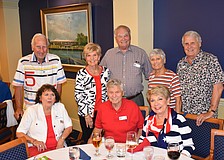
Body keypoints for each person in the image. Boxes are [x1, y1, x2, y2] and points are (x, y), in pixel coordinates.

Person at [12, 33, 66, 119]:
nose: (41, 50)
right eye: (38, 47)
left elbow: (59, 84)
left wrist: (55, 103)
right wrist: (18, 108)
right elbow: (18, 87)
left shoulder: (56, 60)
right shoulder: (23, 62)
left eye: (44, 47)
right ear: (32, 47)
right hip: (31, 108)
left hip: (50, 107)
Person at [132, 85, 194, 157]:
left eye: (160, 99)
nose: (156, 103)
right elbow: (142, 140)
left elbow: (189, 146)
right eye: (152, 100)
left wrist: (180, 157)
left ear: (168, 101)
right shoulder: (148, 120)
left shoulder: (179, 120)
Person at [177, 31, 224, 126]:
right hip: (186, 117)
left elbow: (219, 87)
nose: (189, 46)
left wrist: (211, 111)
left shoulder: (211, 60)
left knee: (206, 141)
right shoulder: (181, 64)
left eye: (192, 43)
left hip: (205, 118)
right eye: (186, 44)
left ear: (199, 43)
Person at [100, 25, 152, 106]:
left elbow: (150, 75)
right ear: (116, 38)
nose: (123, 39)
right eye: (120, 36)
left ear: (130, 36)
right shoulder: (109, 54)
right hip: (115, 100)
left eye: (126, 35)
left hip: (135, 100)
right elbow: (100, 74)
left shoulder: (140, 53)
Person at [16, 84, 72, 157]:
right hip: (38, 148)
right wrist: (34, 141)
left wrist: (61, 140)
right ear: (40, 98)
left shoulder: (60, 107)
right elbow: (19, 133)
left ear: (55, 99)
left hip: (58, 147)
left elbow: (69, 127)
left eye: (52, 95)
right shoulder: (31, 111)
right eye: (46, 95)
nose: (49, 97)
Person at [88, 79, 144, 143]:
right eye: (111, 92)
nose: (114, 96)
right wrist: (90, 140)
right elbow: (98, 129)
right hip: (109, 145)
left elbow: (141, 128)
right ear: (107, 94)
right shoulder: (102, 108)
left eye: (117, 92)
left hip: (128, 145)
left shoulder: (133, 107)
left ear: (122, 93)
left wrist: (137, 142)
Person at [75, 42, 110, 143]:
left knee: (103, 139)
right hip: (87, 114)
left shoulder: (106, 72)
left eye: (94, 55)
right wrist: (87, 114)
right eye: (88, 55)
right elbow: (78, 96)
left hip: (103, 112)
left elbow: (108, 92)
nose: (92, 58)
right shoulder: (81, 74)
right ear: (85, 58)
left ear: (99, 57)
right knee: (89, 140)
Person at [148, 48, 181, 113]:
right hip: (156, 114)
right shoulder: (151, 77)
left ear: (164, 60)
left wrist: (177, 118)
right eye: (152, 60)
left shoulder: (172, 77)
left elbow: (178, 100)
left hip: (170, 115)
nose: (155, 62)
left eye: (158, 59)